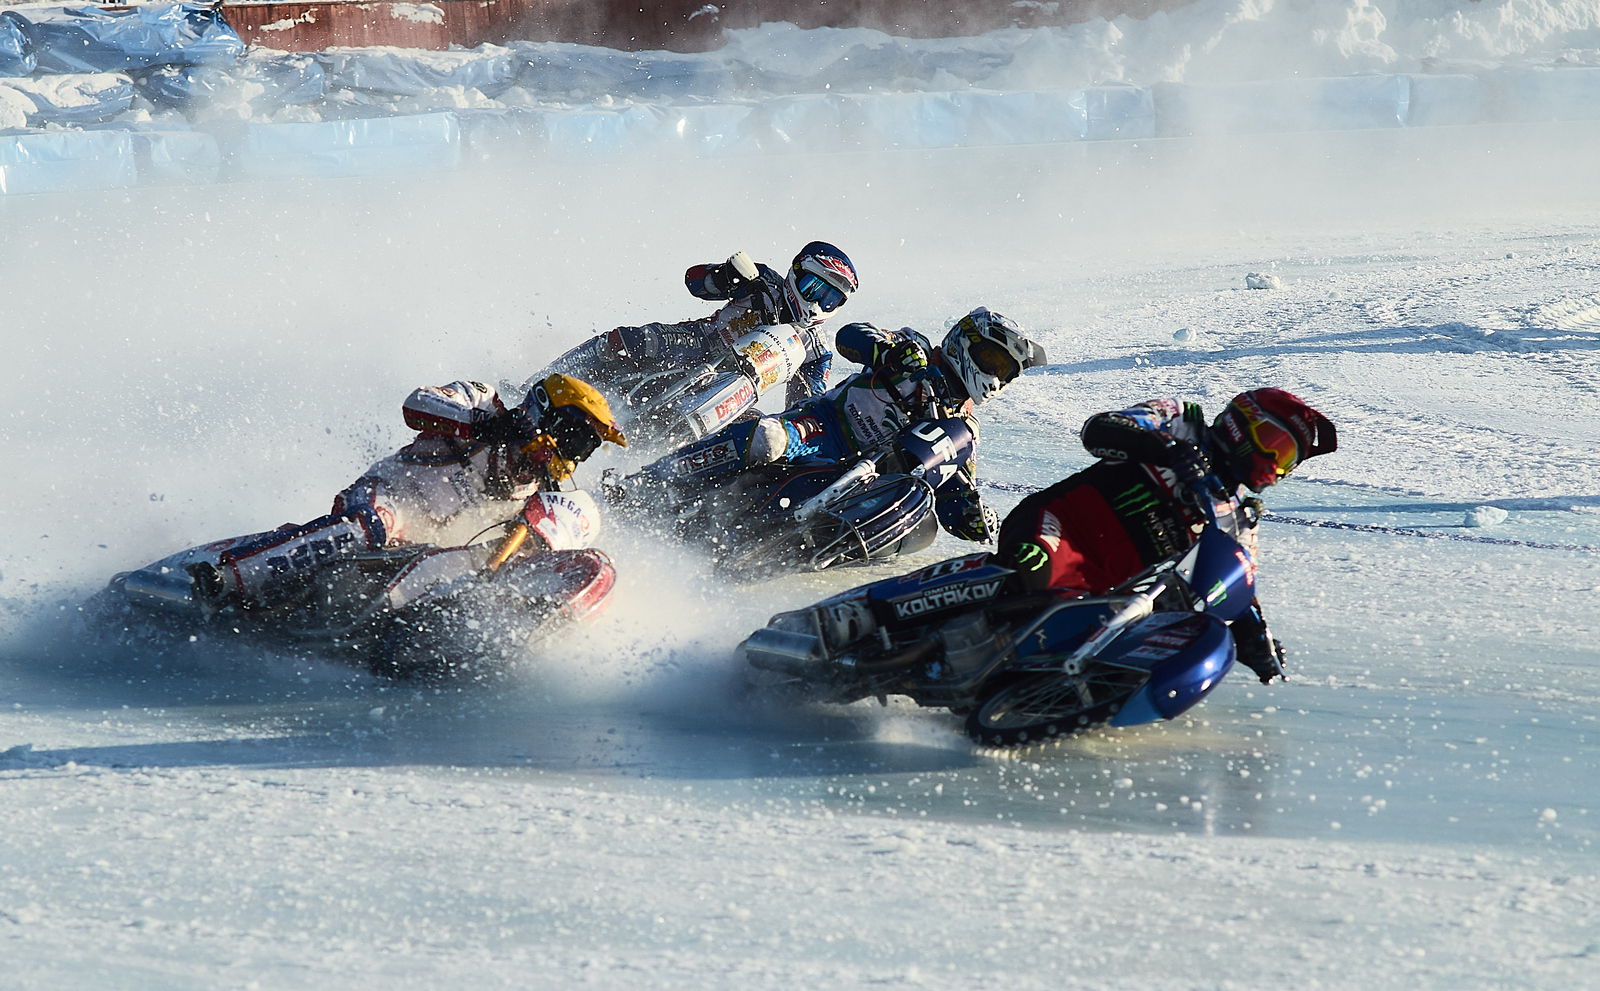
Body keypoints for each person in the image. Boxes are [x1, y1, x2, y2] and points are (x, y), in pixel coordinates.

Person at [188, 375, 626, 611]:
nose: (573, 454)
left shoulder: (542, 492)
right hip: (387, 500)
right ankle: (231, 576)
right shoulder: (483, 401)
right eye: (572, 437)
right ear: (544, 413)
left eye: (585, 448)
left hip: (428, 553)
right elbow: (417, 404)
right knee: (367, 528)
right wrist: (487, 426)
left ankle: (443, 626)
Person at [995, 389, 1337, 683]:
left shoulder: (1238, 520)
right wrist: (1167, 449)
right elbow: (1098, 429)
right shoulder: (1180, 420)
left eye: (1287, 461)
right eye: (1275, 447)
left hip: (1096, 595)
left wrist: (1257, 642)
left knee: (1080, 653)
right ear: (1243, 422)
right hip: (1059, 527)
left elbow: (1235, 587)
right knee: (1030, 573)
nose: (1275, 465)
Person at [627, 306, 1046, 543]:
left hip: (863, 481)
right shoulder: (914, 349)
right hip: (821, 429)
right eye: (993, 361)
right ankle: (644, 484)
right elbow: (851, 334)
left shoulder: (961, 430)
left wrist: (970, 515)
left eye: (1006, 371)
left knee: (923, 528)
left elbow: (953, 487)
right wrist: (886, 352)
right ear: (963, 342)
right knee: (768, 439)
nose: (995, 377)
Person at [550, 241, 858, 406]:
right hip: (698, 341)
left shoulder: (817, 351)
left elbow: (805, 408)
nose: (817, 303)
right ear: (796, 273)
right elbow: (694, 281)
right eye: (814, 289)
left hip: (733, 389)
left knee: (748, 435)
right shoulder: (763, 281)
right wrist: (727, 276)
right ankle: (544, 382)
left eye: (831, 298)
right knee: (625, 341)